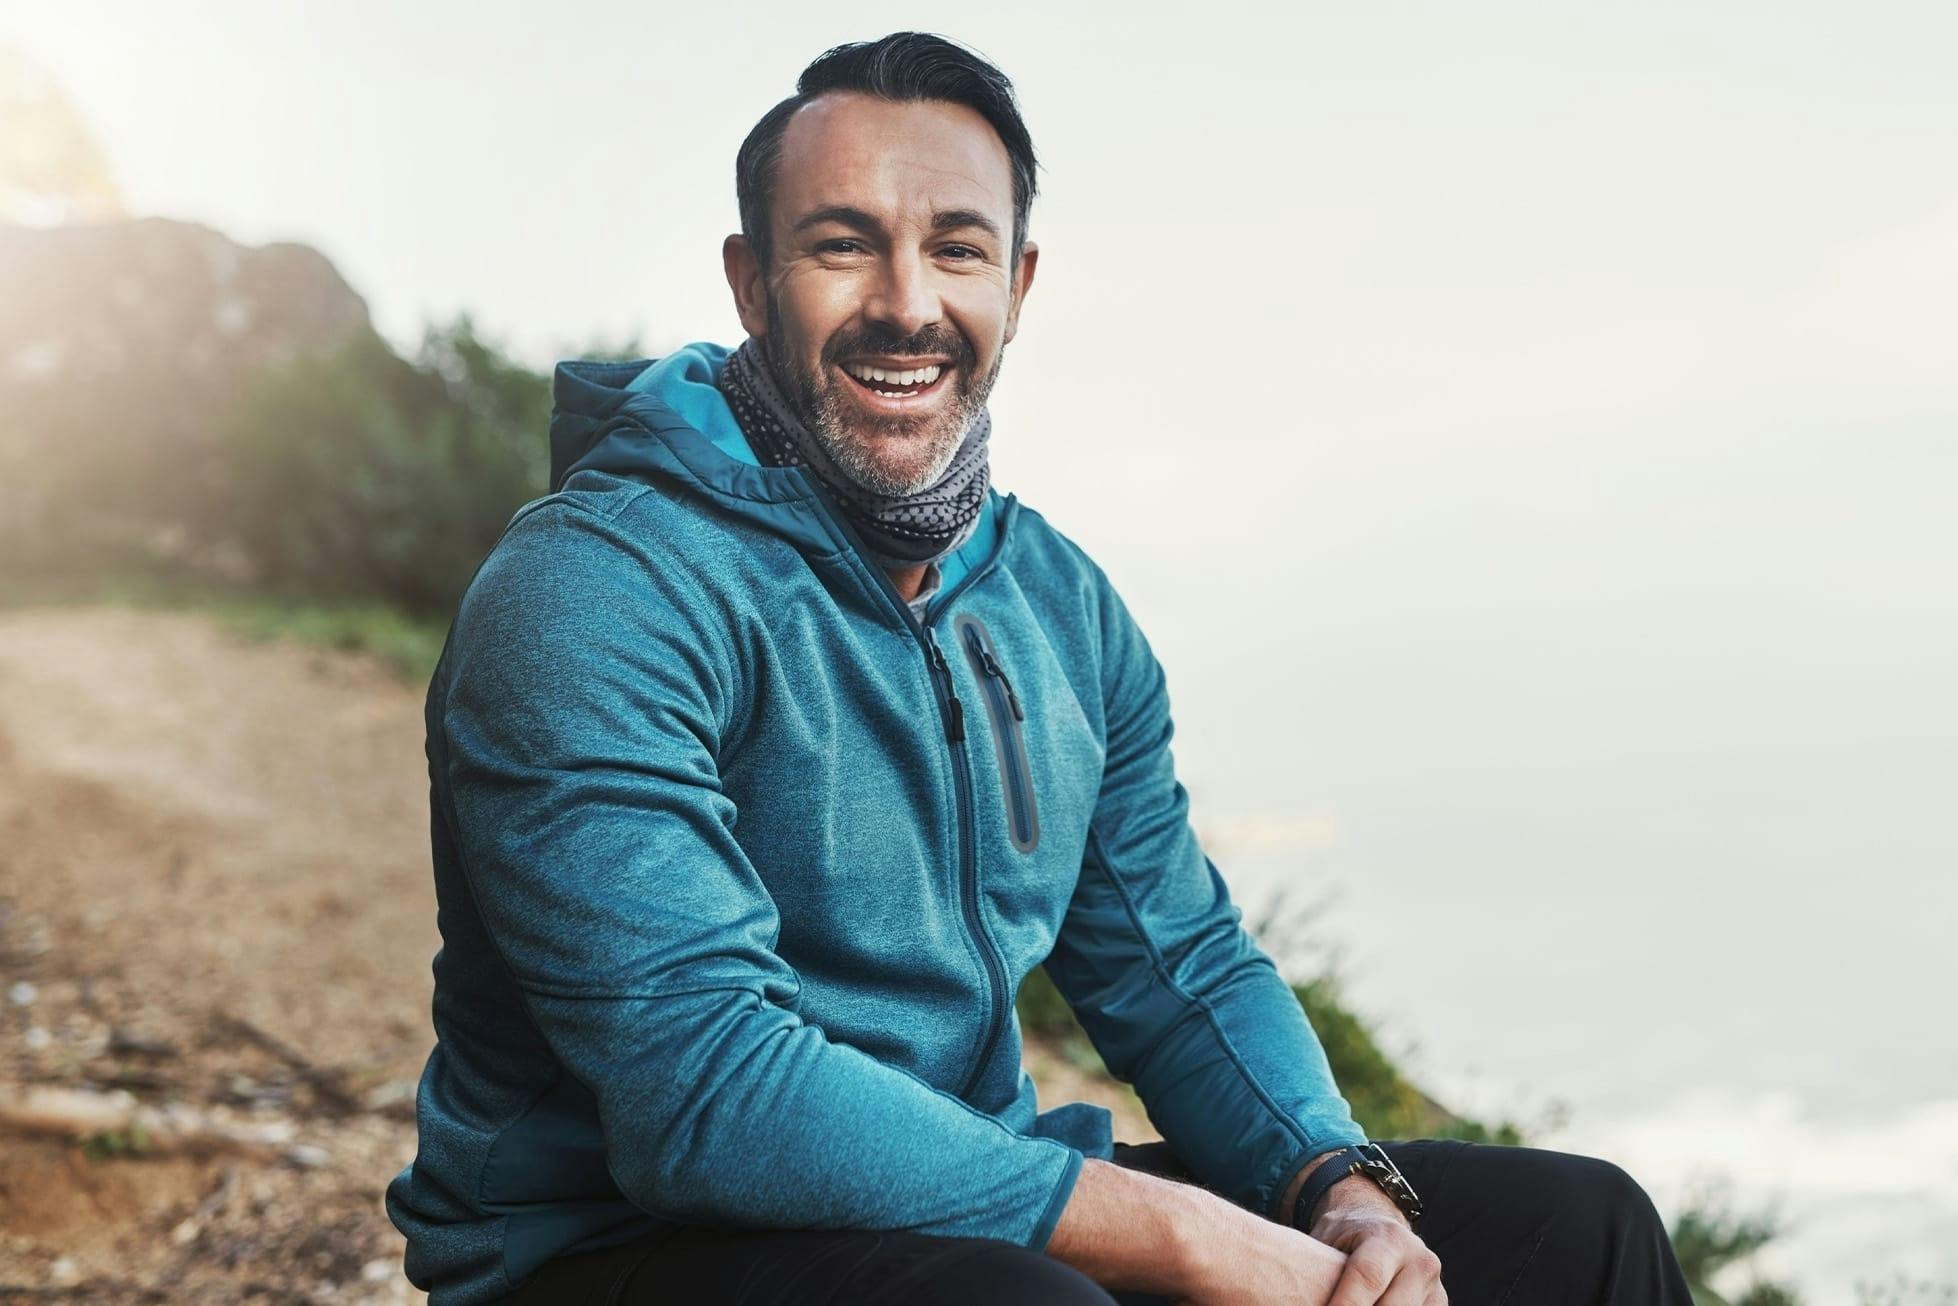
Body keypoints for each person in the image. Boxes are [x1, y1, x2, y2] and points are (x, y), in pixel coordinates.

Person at [384, 31, 1693, 1306]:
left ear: (1016, 281)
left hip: (969, 1204)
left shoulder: (1053, 602)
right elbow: (704, 1095)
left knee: (1578, 1231)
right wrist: (1177, 1232)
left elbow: (1174, 963)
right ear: (750, 281)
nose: (906, 301)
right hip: (612, 1244)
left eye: (955, 247)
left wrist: (1332, 1185)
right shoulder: (595, 591)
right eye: (843, 244)